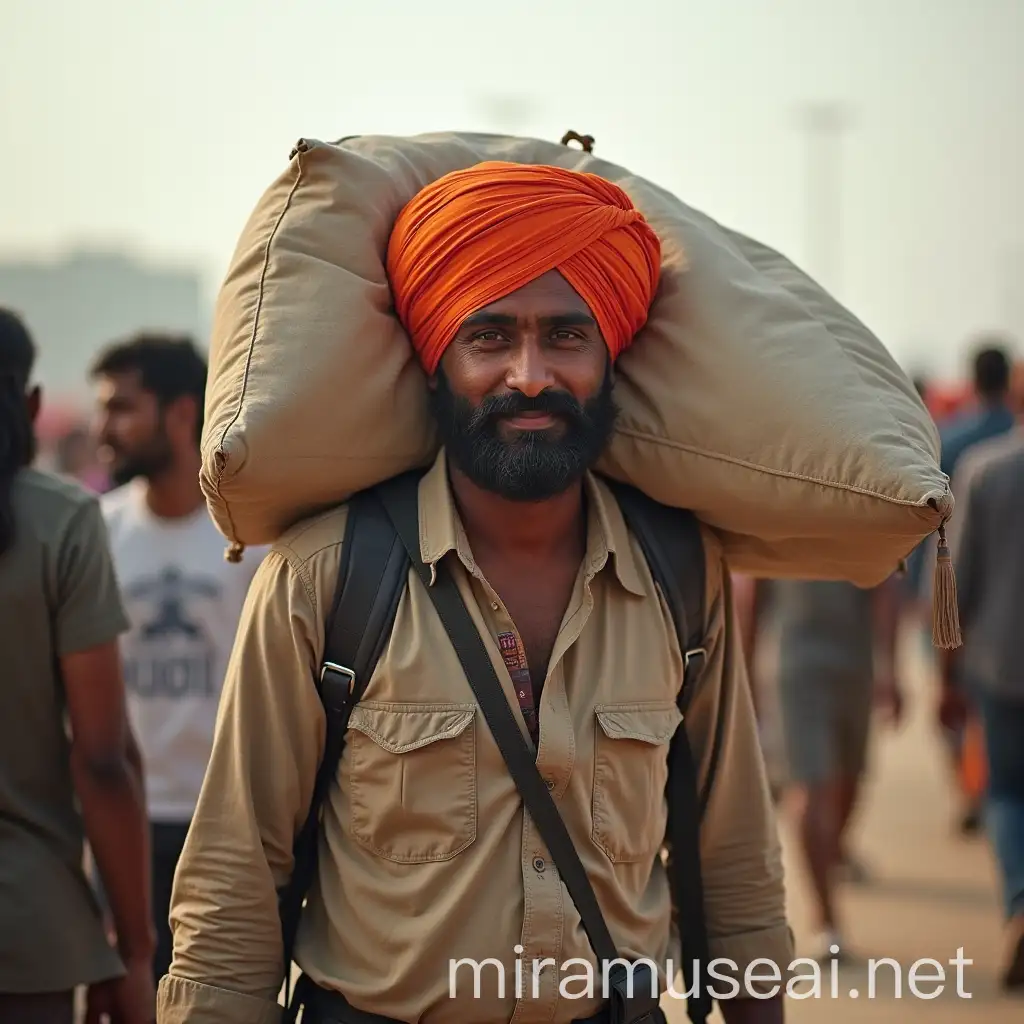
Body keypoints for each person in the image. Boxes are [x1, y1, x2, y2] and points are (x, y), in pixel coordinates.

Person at [157, 164, 792, 1023]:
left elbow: (734, 858)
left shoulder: (677, 575)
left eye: (566, 336)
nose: (529, 375)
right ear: (436, 359)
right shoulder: (326, 577)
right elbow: (237, 871)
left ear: (610, 357)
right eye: (489, 336)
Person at [89, 333, 268, 987]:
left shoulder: (252, 541)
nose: (103, 428)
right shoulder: (97, 533)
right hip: (120, 824)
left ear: (182, 413)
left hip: (223, 826)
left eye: (122, 408)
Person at [0, 308, 155, 1024]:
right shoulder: (62, 521)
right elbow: (102, 757)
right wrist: (134, 945)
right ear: (29, 405)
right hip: (27, 932)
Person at [745, 576, 904, 961]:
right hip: (795, 666)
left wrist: (887, 668)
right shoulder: (774, 519)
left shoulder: (859, 518)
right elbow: (750, 595)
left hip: (852, 663)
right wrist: (744, 676)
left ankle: (831, 858)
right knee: (812, 787)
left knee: (847, 781)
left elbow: (884, 588)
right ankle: (826, 918)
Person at [942, 430, 1024, 990]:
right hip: (998, 664)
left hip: (1001, 664)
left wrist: (945, 674)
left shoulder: (985, 468)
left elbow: (955, 576)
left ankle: (1020, 903)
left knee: (1004, 792)